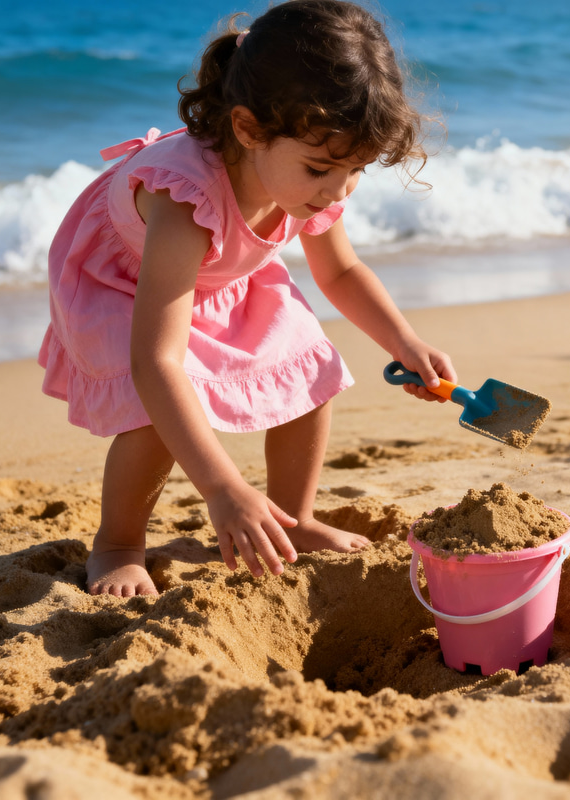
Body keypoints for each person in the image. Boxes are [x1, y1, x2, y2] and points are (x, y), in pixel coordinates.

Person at [39, 0, 457, 598]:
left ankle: (294, 517)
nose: (338, 191)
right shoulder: (185, 198)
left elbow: (340, 272)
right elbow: (154, 360)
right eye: (320, 169)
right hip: (129, 283)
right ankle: (118, 543)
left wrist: (405, 341)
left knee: (309, 366)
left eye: (356, 170)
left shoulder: (311, 179)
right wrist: (223, 489)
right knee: (154, 408)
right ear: (248, 129)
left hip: (224, 275)